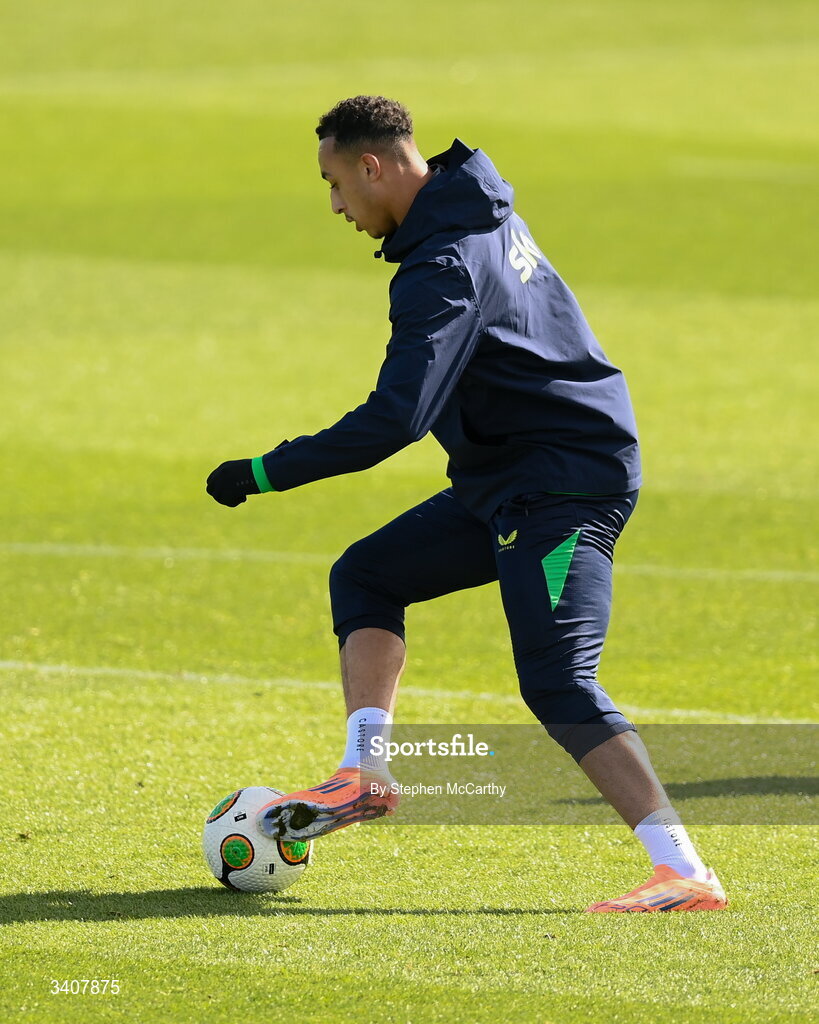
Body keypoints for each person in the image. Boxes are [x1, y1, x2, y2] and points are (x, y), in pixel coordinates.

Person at [206, 95, 727, 912]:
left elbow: (396, 418)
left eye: (336, 184)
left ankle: (685, 871)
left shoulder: (442, 262)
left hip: (562, 489)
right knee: (368, 574)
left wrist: (264, 472)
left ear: (371, 165)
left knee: (558, 682)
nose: (336, 206)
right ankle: (364, 771)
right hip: (506, 482)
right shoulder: (472, 209)